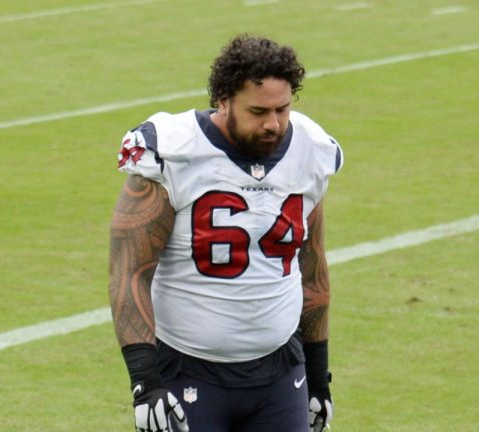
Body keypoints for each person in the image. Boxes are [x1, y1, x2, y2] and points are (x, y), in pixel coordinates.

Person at [109, 34, 342, 432]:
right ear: (223, 100)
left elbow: (311, 264)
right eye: (258, 111)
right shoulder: (175, 152)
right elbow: (130, 270)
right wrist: (144, 381)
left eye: (283, 109)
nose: (273, 123)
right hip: (187, 369)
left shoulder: (310, 150)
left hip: (281, 371)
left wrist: (318, 375)